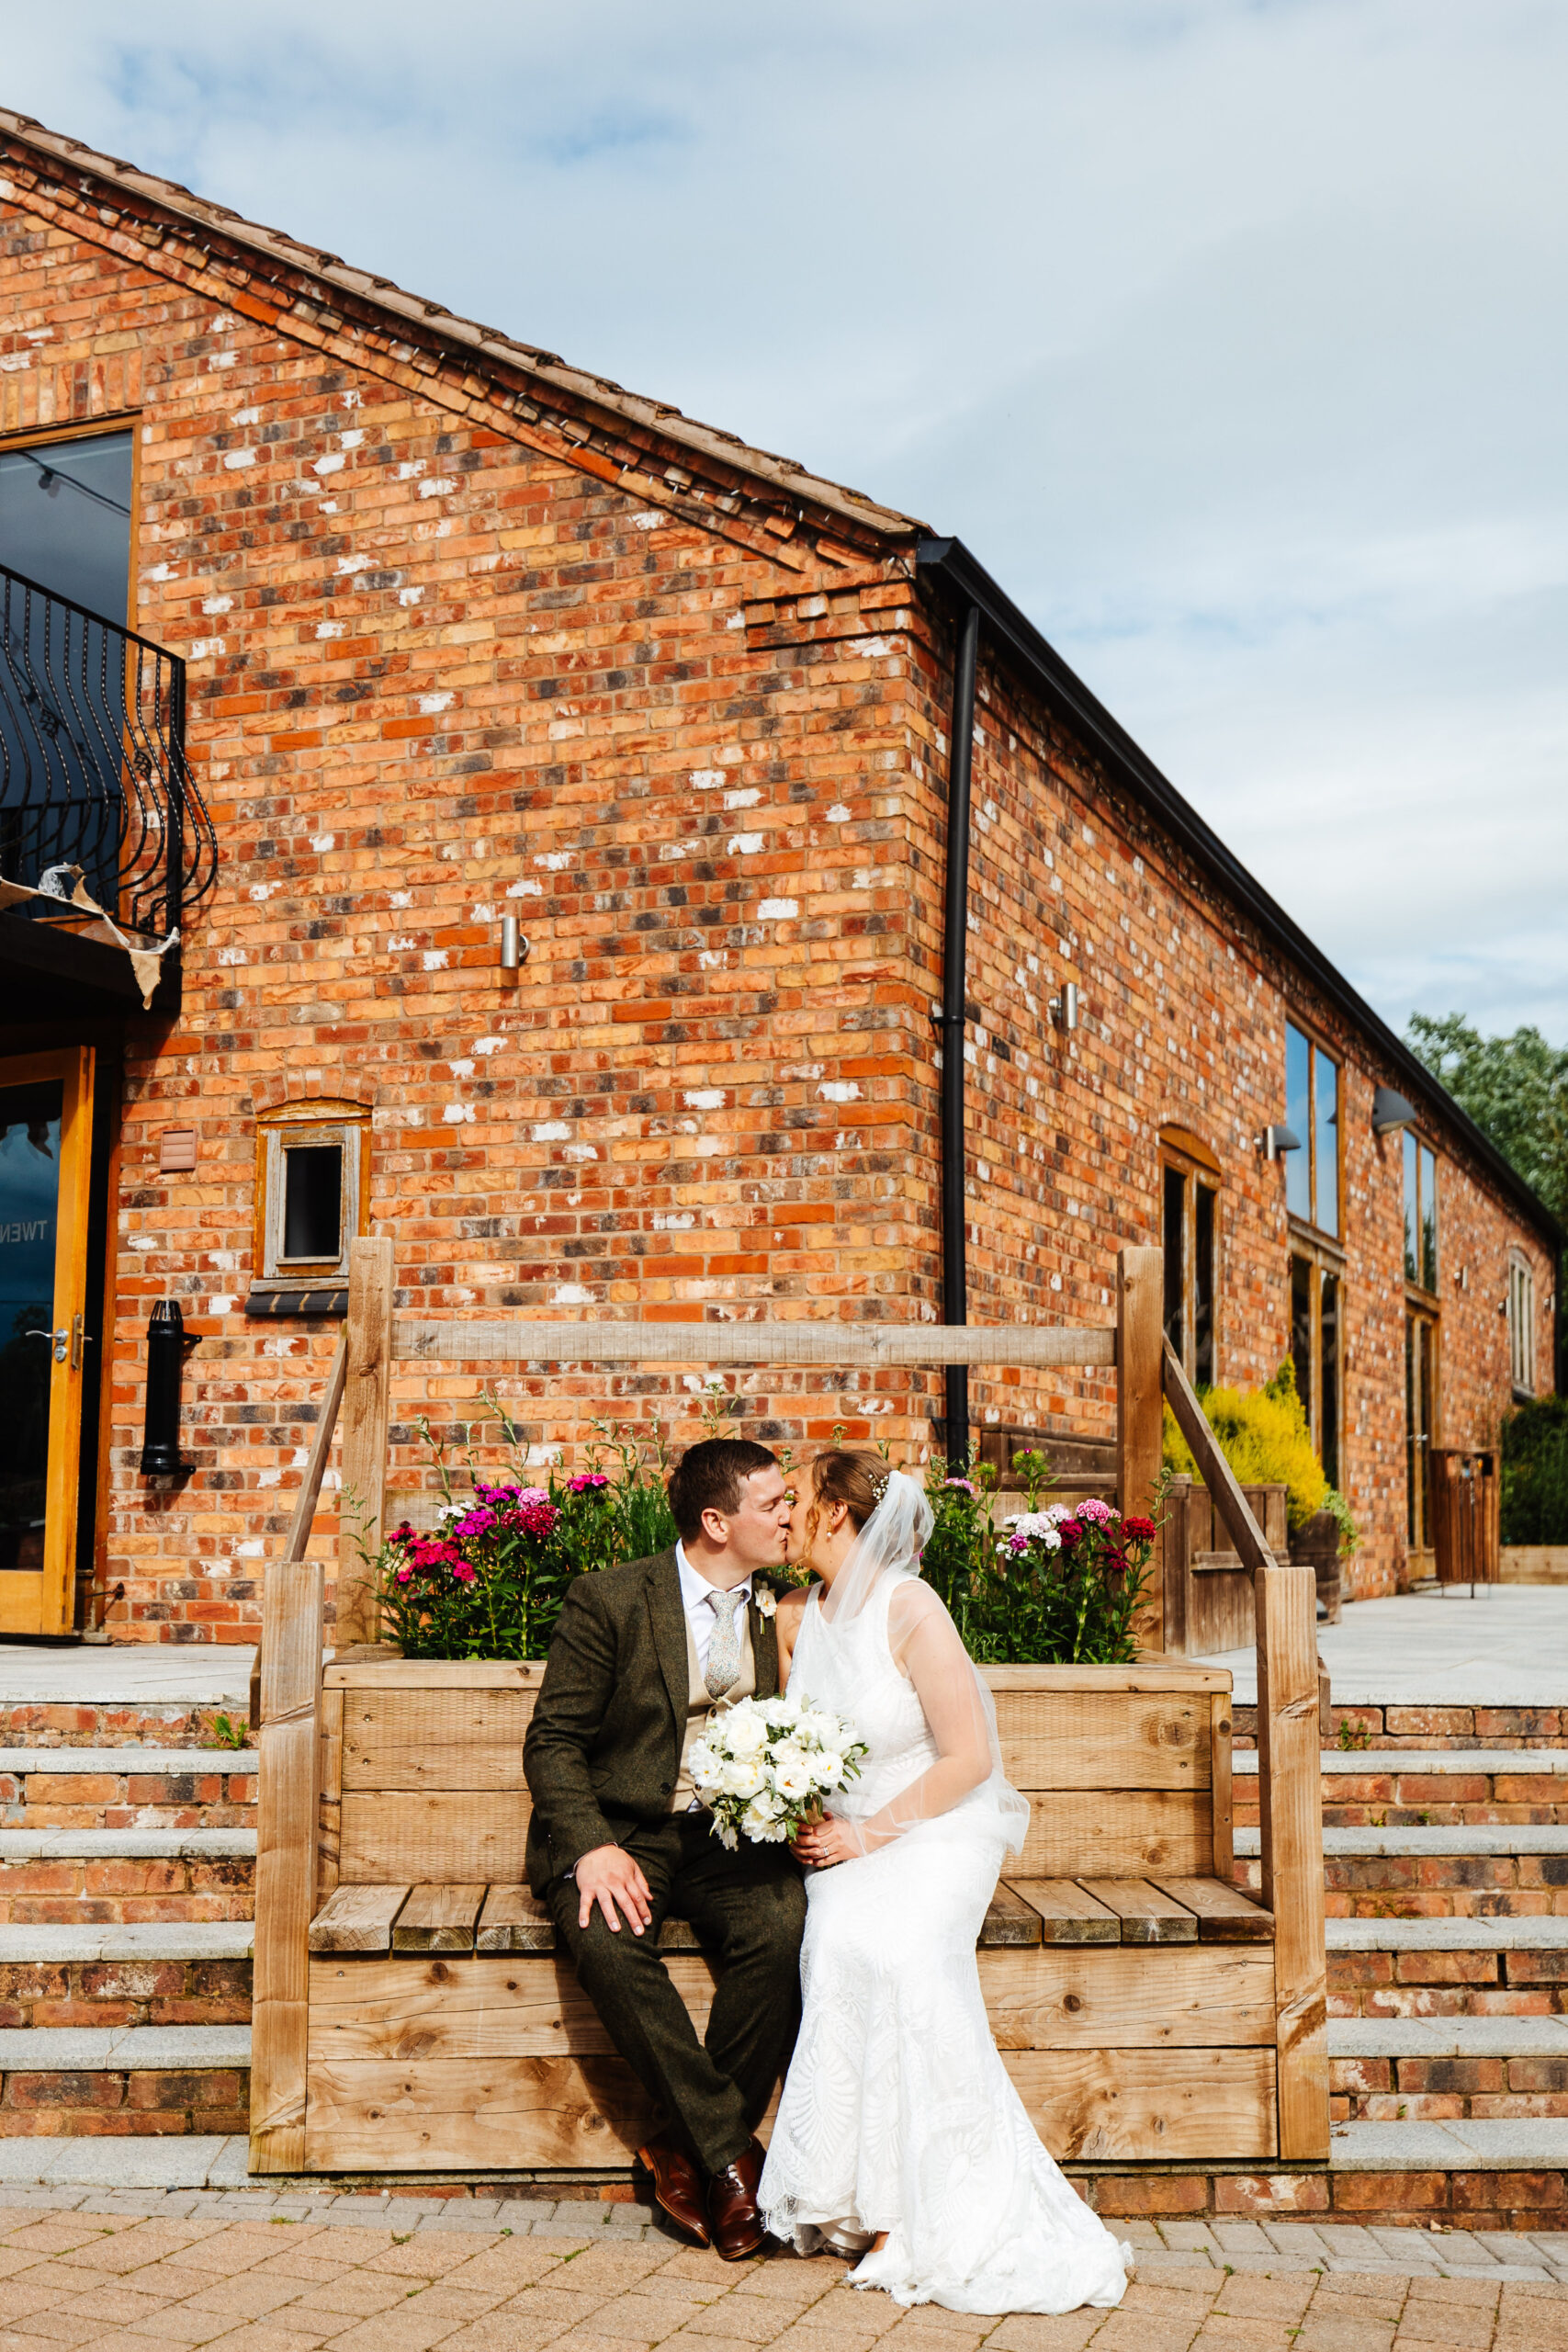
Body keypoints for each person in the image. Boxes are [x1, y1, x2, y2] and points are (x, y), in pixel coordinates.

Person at [759, 1448, 1131, 2314]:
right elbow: (792, 1743)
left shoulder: (910, 1607)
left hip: (932, 1825)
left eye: (796, 1500)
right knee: (837, 1944)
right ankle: (854, 2199)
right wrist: (787, 1804)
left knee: (901, 1953)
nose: (781, 1515)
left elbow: (969, 1759)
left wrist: (869, 1833)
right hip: (843, 1840)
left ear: (837, 1515)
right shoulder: (790, 1616)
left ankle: (919, 2212)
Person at [523, 1436, 806, 2260]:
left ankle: (684, 2155)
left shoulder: (780, 1610)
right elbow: (553, 1742)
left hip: (725, 1835)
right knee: (605, 1940)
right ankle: (730, 2157)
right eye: (773, 1503)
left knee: (783, 1928)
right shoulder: (611, 1599)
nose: (789, 1515)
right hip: (624, 1830)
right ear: (716, 1521)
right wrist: (590, 1848)